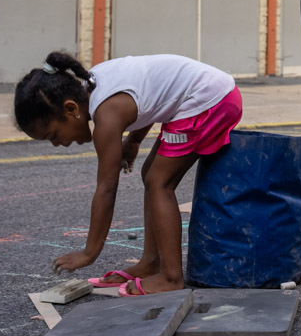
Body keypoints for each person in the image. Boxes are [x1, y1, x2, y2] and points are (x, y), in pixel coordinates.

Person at [14, 51, 242, 296]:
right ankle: (151, 263)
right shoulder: (93, 86)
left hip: (210, 101)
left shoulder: (106, 116)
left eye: (54, 135)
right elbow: (149, 96)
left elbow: (106, 190)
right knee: (151, 175)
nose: (58, 144)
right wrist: (134, 141)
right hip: (207, 96)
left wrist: (89, 253)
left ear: (71, 109)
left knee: (159, 182)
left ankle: (171, 277)